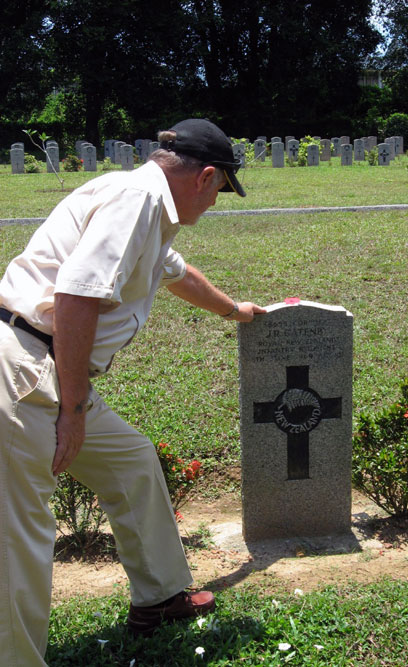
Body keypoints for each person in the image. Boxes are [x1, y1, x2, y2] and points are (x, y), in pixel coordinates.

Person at [0, 118, 266, 665]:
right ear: (206, 176)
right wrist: (72, 411)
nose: (217, 203)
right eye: (221, 189)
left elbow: (174, 272)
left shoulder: (147, 204)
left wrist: (232, 310)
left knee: (132, 460)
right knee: (21, 533)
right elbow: (76, 296)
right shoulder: (137, 201)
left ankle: (160, 598)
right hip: (25, 372)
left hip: (49, 368)